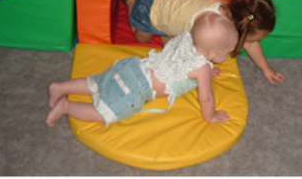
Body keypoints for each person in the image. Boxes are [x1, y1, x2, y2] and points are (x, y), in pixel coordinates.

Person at [46, 13, 238, 128]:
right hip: (136, 87)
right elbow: (206, 98)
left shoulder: (188, 37)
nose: (229, 55)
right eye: (227, 52)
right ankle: (66, 107)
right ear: (212, 53)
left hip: (135, 66)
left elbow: (180, 60)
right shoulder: (201, 68)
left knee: (97, 82)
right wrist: (210, 116)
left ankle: (60, 87)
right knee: (105, 113)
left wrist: (203, 73)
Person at [121, 0, 285, 85]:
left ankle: (167, 30)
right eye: (252, 38)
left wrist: (266, 68)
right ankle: (131, 0)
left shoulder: (235, 12)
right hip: (150, 8)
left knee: (170, 38)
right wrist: (203, 68)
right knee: (141, 37)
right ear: (240, 30)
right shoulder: (211, 30)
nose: (251, 42)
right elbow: (194, 53)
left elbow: (251, 44)